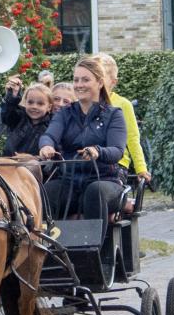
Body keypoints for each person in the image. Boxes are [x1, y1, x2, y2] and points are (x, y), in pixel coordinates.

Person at [39, 56, 127, 237]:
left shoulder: (114, 114)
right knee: (45, 192)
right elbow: (49, 135)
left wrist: (98, 151)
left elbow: (117, 151)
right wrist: (46, 146)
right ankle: (49, 252)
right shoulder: (65, 113)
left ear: (100, 82)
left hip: (105, 181)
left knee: (95, 192)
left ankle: (95, 254)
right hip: (70, 181)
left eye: (85, 80)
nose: (79, 85)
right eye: (76, 80)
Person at [95, 53, 151, 184]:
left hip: (116, 164)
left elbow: (132, 138)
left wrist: (141, 168)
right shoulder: (83, 103)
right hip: (89, 162)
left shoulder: (123, 104)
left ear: (113, 82)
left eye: (100, 77)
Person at [1, 80, 53, 157]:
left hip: (36, 167)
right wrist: (13, 95)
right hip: (8, 164)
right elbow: (7, 113)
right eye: (30, 102)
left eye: (40, 104)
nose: (34, 106)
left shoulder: (52, 125)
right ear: (25, 102)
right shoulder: (18, 117)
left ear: (49, 107)